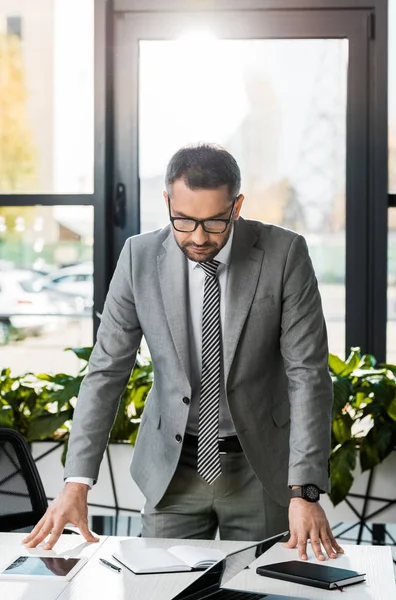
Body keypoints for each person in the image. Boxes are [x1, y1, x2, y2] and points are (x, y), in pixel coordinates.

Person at [23, 143, 343, 562]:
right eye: (184, 220)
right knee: (157, 589)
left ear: (237, 205)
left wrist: (304, 491)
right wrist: (76, 482)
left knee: (258, 590)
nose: (197, 237)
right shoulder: (138, 257)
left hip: (259, 469)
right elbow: (106, 372)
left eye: (213, 222)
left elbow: (308, 375)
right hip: (172, 470)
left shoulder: (284, 254)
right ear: (167, 202)